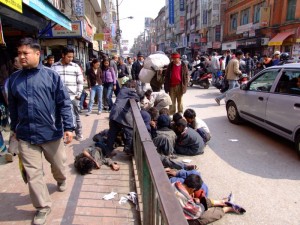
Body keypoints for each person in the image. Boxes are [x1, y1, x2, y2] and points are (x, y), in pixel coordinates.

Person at [8, 37, 75, 225]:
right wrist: (14, 130)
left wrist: (69, 127)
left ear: (38, 54)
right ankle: (42, 207)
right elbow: (13, 107)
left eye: (25, 53)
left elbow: (64, 103)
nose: (21, 57)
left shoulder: (51, 76)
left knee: (59, 165)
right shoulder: (14, 79)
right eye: (19, 53)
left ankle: (61, 179)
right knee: (33, 174)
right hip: (26, 135)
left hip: (51, 133)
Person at [172, 174, 246, 225]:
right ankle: (226, 209)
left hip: (173, 206)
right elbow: (197, 213)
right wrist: (200, 205)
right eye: (194, 191)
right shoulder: (185, 198)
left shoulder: (175, 184)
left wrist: (197, 201)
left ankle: (221, 202)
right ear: (192, 189)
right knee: (202, 217)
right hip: (177, 219)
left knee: (199, 200)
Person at [51, 47, 84, 141]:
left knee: (76, 116)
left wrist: (79, 94)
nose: (70, 59)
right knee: (60, 117)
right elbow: (51, 82)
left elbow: (80, 81)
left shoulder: (75, 67)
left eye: (72, 57)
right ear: (63, 55)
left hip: (73, 97)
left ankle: (79, 134)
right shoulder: (54, 66)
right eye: (68, 57)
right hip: (59, 98)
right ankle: (64, 136)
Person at [106, 80, 140, 157]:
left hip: (113, 114)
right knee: (130, 130)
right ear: (132, 86)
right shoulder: (129, 90)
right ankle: (128, 149)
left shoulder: (122, 90)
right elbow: (137, 97)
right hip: (121, 114)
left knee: (112, 134)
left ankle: (108, 151)